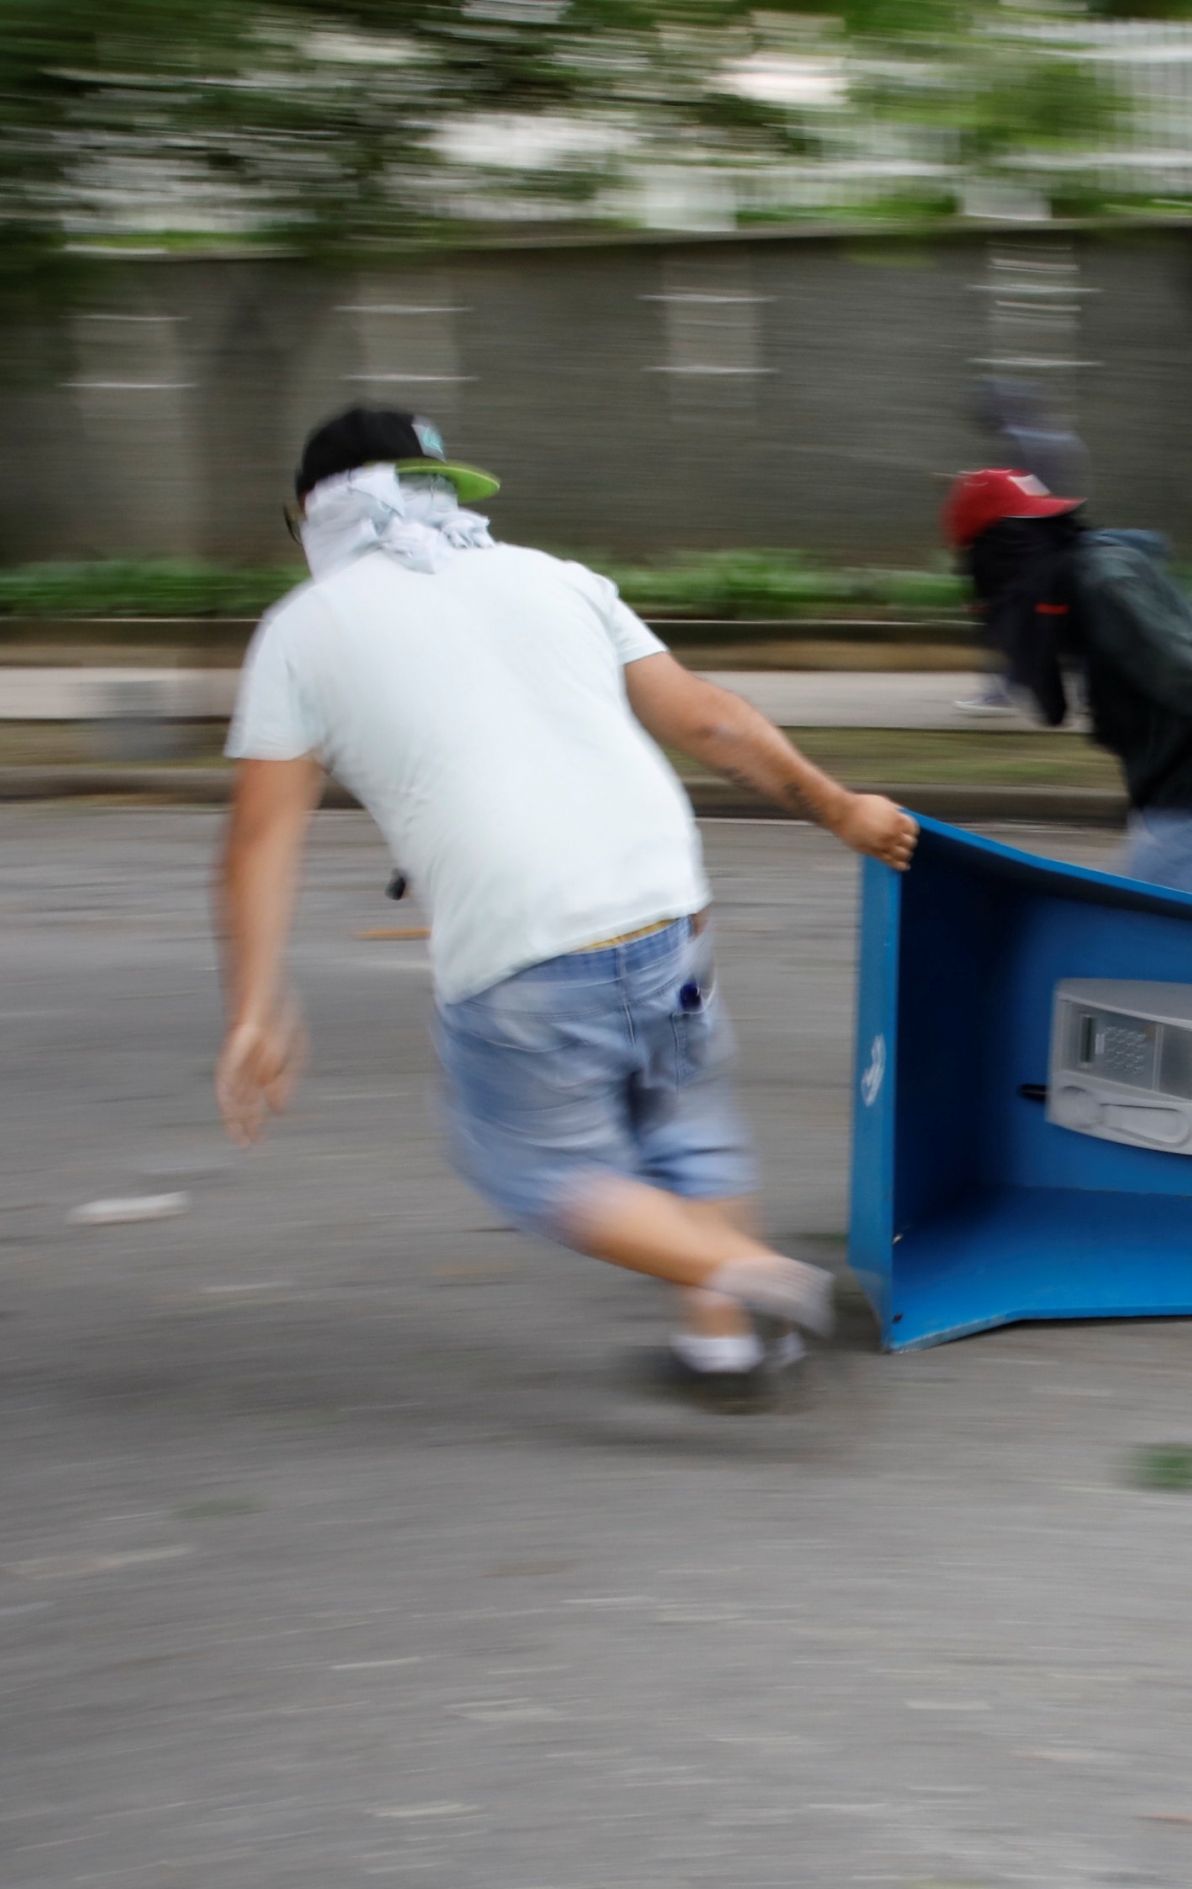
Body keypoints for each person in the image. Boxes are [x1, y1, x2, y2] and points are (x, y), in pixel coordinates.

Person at [215, 407, 917, 1411]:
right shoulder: (559, 579)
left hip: (525, 939)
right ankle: (721, 1353)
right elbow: (707, 718)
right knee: (682, 1120)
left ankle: (754, 1280)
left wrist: (252, 1007)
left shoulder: (301, 630)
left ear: (307, 513)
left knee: (523, 1158)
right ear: (445, 487)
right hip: (666, 903)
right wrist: (840, 806)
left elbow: (259, 836)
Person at [945, 467, 1192, 901]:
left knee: (1132, 944)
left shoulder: (1104, 583)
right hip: (1191, 795)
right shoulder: (1074, 578)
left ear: (998, 550)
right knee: (1165, 938)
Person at [955, 381, 1091, 717]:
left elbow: (1019, 491)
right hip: (1058, 532)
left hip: (1022, 542)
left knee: (1006, 616)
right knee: (1063, 618)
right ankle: (1088, 694)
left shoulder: (1017, 440)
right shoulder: (1065, 439)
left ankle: (1000, 691)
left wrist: (971, 486)